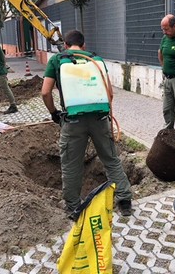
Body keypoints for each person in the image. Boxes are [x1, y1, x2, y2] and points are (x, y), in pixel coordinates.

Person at [41, 29, 132, 217]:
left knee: (71, 164)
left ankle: (74, 206)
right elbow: (110, 94)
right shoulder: (95, 60)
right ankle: (124, 201)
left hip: (73, 121)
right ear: (84, 45)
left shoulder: (57, 60)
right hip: (100, 119)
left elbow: (45, 92)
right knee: (111, 160)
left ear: (65, 45)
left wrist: (54, 113)